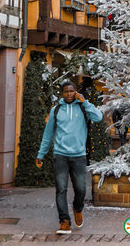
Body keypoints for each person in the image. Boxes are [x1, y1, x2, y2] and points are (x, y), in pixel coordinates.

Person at [36, 80, 103, 235]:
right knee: (61, 189)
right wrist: (41, 153)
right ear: (62, 93)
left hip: (79, 155)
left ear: (75, 92)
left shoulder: (83, 107)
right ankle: (64, 221)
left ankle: (77, 208)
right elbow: (48, 134)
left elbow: (98, 117)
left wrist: (84, 101)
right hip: (60, 155)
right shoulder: (56, 110)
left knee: (81, 189)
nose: (69, 94)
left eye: (71, 91)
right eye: (66, 91)